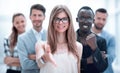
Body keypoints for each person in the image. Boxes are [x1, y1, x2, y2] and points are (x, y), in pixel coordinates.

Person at [35, 5, 83, 73]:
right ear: (52, 22)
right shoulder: (41, 45)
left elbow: (78, 70)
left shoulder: (78, 46)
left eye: (64, 19)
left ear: (69, 22)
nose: (60, 22)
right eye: (57, 19)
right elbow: (39, 64)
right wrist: (45, 57)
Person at [76, 6, 108, 73]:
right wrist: (88, 60)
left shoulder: (101, 41)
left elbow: (102, 67)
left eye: (89, 18)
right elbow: (68, 63)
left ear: (93, 21)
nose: (85, 21)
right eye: (82, 17)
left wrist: (95, 48)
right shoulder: (69, 39)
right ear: (77, 19)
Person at [17, 4, 47, 73]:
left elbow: (56, 58)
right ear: (30, 17)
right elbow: (25, 64)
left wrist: (33, 57)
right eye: (34, 15)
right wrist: (46, 60)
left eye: (39, 15)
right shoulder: (22, 39)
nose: (37, 18)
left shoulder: (51, 35)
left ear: (44, 17)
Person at [92, 8, 115, 73]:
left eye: (104, 19)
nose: (101, 22)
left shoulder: (111, 38)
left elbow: (111, 57)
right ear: (93, 19)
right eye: (98, 18)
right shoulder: (85, 35)